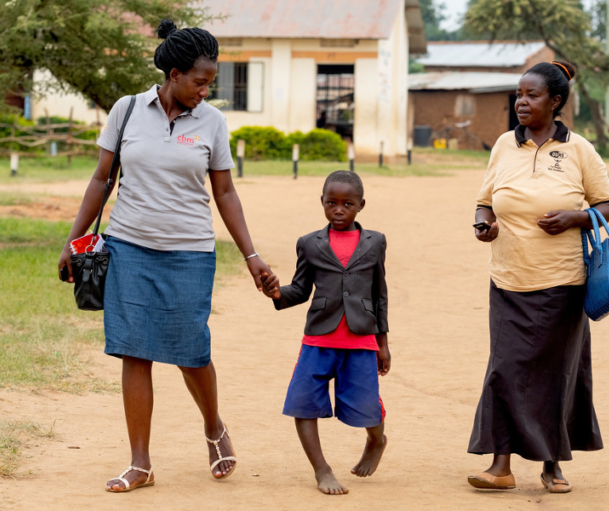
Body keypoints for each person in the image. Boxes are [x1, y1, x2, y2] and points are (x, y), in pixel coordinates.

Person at [58, 19, 272, 492]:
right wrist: (74, 242)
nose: (206, 90)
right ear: (174, 74)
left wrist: (251, 254)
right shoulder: (127, 110)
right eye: (200, 81)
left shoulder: (213, 122)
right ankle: (140, 463)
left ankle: (214, 427)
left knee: (192, 351)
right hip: (128, 246)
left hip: (190, 252)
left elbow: (226, 192)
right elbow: (101, 179)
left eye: (210, 82)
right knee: (134, 354)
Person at [467, 61, 609, 494]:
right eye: (519, 94)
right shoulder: (502, 146)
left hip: (563, 283)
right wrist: (483, 225)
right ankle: (500, 465)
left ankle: (552, 465)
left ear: (555, 102)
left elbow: (608, 206)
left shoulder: (579, 150)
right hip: (508, 279)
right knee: (504, 369)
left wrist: (575, 217)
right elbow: (483, 202)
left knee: (556, 374)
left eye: (532, 95)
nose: (521, 102)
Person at [260, 171, 390, 496]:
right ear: (322, 203)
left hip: (361, 338)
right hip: (318, 338)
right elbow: (301, 289)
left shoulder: (375, 241)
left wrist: (383, 343)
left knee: (366, 406)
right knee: (302, 402)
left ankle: (376, 440)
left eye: (347, 204)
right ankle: (322, 469)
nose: (339, 210)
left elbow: (380, 295)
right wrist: (277, 293)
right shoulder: (309, 243)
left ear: (361, 205)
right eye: (331, 203)